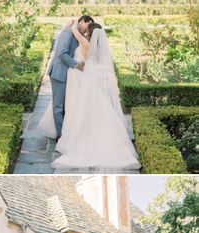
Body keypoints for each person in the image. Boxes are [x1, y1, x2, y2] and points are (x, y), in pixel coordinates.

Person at [51, 19, 140, 171]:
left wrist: (71, 25)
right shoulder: (92, 45)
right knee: (85, 107)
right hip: (81, 76)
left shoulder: (85, 43)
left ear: (90, 33)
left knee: (78, 107)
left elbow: (74, 31)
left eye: (87, 30)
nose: (85, 31)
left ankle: (73, 135)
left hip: (78, 76)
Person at [46, 14, 94, 139]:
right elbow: (62, 53)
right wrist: (76, 65)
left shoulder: (76, 33)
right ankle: (60, 136)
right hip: (59, 73)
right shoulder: (68, 32)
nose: (87, 29)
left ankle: (66, 133)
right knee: (58, 106)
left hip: (69, 75)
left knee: (67, 105)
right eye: (87, 25)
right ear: (82, 21)